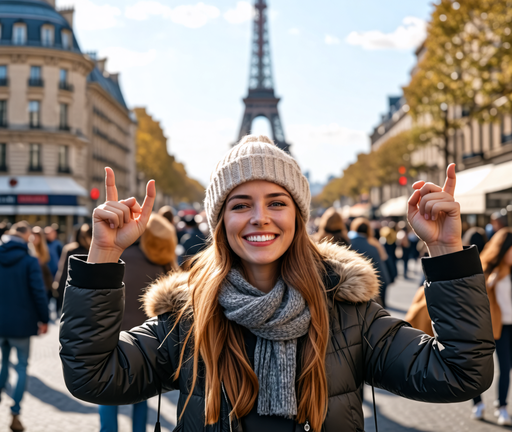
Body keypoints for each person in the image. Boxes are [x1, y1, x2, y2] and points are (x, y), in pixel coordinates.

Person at [59, 136, 494, 432]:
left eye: (277, 202)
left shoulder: (349, 313)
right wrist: (101, 258)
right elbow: (93, 378)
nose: (259, 218)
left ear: (299, 217)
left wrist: (448, 252)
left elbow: (460, 374)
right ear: (220, 222)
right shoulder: (186, 320)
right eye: (240, 204)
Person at [97, 213, 178, 432]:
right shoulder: (164, 265)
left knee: (106, 391)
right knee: (141, 394)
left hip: (111, 335)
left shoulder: (120, 256)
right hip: (146, 341)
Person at [0, 221, 49, 432]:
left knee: (3, 364)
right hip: (22, 323)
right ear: (26, 237)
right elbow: (38, 292)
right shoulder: (29, 260)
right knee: (21, 367)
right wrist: (45, 319)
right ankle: (15, 412)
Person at [472, 228, 512, 425]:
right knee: (479, 367)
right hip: (488, 326)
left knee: (506, 368)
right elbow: (474, 297)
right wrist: (490, 283)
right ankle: (477, 403)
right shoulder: (488, 269)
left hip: (508, 326)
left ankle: (502, 406)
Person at [349, 217, 390, 307]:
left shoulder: (348, 242)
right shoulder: (374, 245)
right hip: (369, 291)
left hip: (349, 290)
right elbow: (382, 272)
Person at [53, 224, 92, 314]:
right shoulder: (74, 250)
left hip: (73, 291)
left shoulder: (71, 250)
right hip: (87, 293)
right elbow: (63, 271)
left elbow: (62, 271)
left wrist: (59, 288)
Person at [31, 226, 53, 293]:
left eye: (37, 236)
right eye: (33, 235)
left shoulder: (46, 251)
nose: (35, 237)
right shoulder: (28, 250)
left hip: (44, 284)